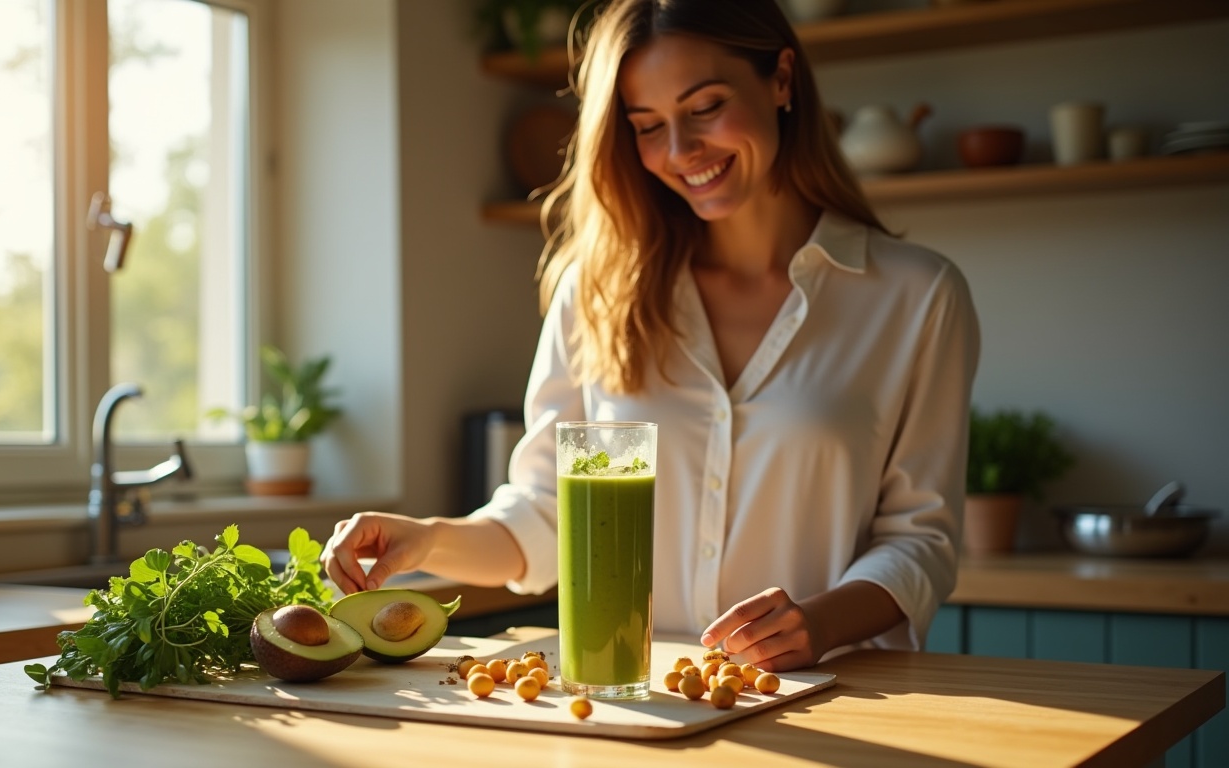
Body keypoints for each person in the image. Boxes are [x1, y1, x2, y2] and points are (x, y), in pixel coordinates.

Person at [322, 0, 980, 672]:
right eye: (647, 126)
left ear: (782, 79)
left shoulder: (917, 297)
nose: (679, 151)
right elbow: (548, 517)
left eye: (704, 107)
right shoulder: (598, 290)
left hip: (836, 697)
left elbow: (919, 538)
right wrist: (427, 540)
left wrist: (816, 623)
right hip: (638, 700)